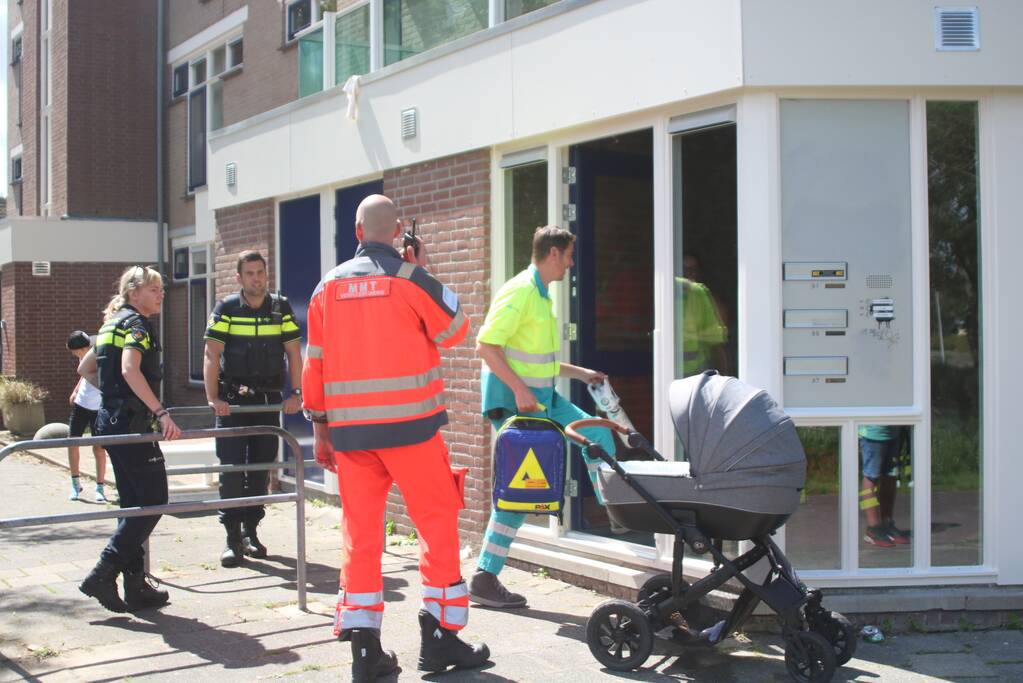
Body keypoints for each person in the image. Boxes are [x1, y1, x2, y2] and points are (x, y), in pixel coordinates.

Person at [302, 194, 489, 681]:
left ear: (357, 232)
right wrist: (422, 267)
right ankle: (441, 639)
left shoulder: (326, 287)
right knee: (437, 526)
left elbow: (313, 363)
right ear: (399, 231)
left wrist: (320, 428)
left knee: (361, 538)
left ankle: (365, 651)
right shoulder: (410, 279)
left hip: (352, 437)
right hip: (413, 432)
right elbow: (456, 330)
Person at [470, 225, 617, 609]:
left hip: (543, 400)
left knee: (599, 435)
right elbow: (486, 345)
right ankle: (485, 576)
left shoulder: (540, 294)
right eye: (568, 256)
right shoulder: (520, 291)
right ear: (553, 253)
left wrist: (582, 374)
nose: (571, 264)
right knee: (520, 492)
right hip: (518, 405)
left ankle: (615, 509)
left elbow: (541, 363)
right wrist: (519, 391)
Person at [78, 266, 181, 613]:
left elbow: (86, 370)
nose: (160, 294)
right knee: (154, 500)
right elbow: (129, 369)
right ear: (134, 293)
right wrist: (160, 411)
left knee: (134, 503)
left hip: (110, 422)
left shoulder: (110, 324)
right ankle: (103, 572)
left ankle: (135, 585)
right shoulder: (136, 324)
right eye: (154, 288)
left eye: (161, 289)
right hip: (132, 425)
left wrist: (114, 397)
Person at [203, 251, 303, 567]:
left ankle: (251, 532)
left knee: (261, 470)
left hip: (267, 403)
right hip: (232, 404)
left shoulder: (280, 308)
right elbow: (211, 355)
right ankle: (231, 538)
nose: (256, 278)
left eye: (260, 272)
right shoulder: (227, 308)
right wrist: (214, 398)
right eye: (249, 273)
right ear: (239, 278)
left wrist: (296, 392)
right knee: (232, 471)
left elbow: (294, 354)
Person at [65, 330, 108, 503]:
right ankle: (75, 484)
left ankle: (100, 487)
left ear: (83, 348)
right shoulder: (84, 352)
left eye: (75, 352)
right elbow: (84, 373)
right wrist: (76, 390)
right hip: (81, 404)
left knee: (99, 448)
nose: (75, 355)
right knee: (72, 442)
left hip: (98, 407)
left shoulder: (100, 353)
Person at [859, 425, 912, 547]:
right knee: (871, 476)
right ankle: (873, 528)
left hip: (893, 431)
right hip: (873, 434)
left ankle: (887, 524)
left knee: (891, 475)